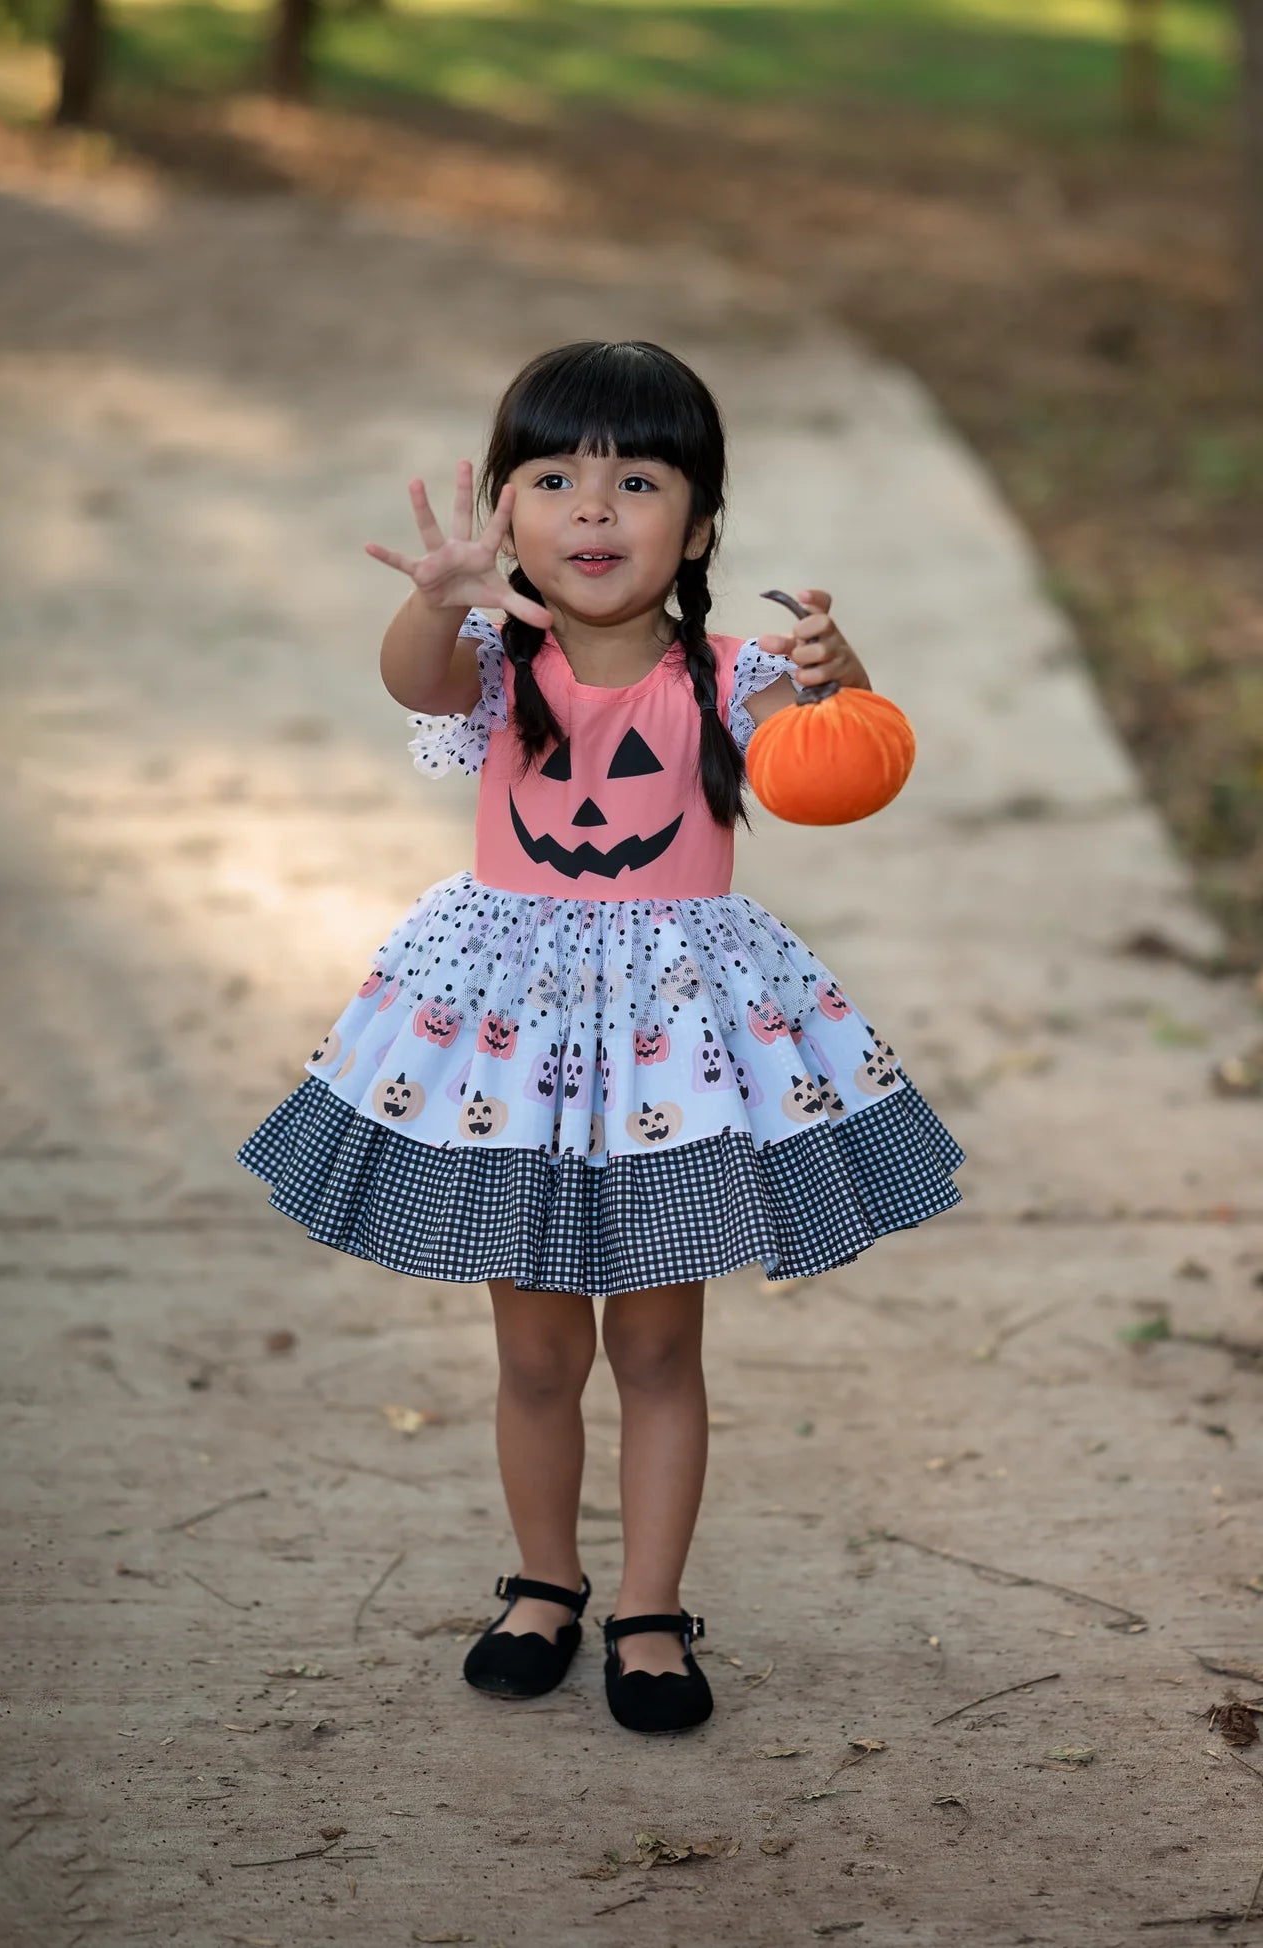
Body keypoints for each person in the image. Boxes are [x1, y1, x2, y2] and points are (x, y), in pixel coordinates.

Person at [235, 339, 965, 1737]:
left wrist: (841, 669)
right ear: (505, 508)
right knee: (532, 1356)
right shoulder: (494, 665)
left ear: (696, 526)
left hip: (673, 1059)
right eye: (554, 476)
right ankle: (543, 1584)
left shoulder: (734, 675)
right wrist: (439, 607)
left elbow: (848, 753)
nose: (593, 509)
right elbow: (418, 688)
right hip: (512, 1055)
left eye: (636, 480)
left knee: (659, 1352)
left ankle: (647, 1606)